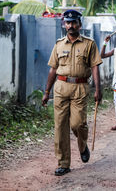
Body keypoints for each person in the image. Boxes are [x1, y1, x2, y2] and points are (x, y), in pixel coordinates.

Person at [42, 10, 103, 176]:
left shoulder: (89, 44)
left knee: (77, 124)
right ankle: (63, 163)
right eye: (68, 22)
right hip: (61, 87)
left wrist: (98, 89)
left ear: (79, 24)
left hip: (80, 88)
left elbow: (95, 67)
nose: (70, 25)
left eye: (74, 22)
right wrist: (46, 92)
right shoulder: (59, 44)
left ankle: (82, 144)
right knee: (60, 126)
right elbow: (53, 69)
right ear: (64, 24)